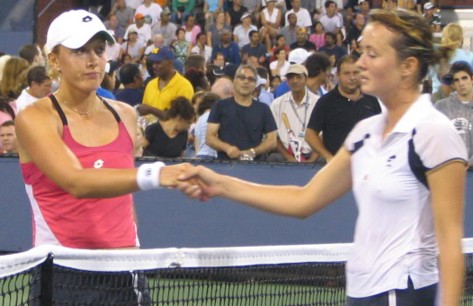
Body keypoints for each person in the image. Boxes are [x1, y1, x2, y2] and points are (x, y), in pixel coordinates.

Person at [178, 9, 467, 306]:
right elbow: (304, 200)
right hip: (362, 291)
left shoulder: (434, 133)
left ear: (408, 66)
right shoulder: (365, 133)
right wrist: (220, 184)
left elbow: (449, 241)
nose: (360, 63)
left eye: (372, 54)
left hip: (404, 292)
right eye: (361, 52)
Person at [15, 9, 191, 252]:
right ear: (54, 60)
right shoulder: (35, 117)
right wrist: (156, 175)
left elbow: (124, 199)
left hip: (125, 272)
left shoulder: (126, 114)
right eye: (79, 50)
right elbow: (76, 182)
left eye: (99, 50)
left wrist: (133, 253)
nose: (93, 60)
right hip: (63, 274)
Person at [305, 55, 381, 162]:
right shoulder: (326, 102)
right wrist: (328, 156)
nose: (352, 78)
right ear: (338, 75)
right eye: (347, 73)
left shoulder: (371, 100)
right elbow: (310, 135)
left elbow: (381, 131)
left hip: (367, 166)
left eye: (355, 73)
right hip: (337, 168)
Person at [206, 64, 277, 161]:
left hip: (256, 167)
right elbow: (209, 137)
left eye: (250, 79)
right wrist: (227, 148)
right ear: (235, 81)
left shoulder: (264, 109)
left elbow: (272, 141)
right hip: (225, 166)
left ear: (255, 84)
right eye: (242, 78)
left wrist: (253, 152)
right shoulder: (220, 106)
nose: (246, 82)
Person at [269, 64, 319, 162]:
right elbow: (273, 136)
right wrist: (289, 158)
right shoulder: (277, 104)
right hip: (286, 154)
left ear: (306, 79)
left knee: (323, 160)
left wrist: (311, 160)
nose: (295, 80)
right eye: (291, 78)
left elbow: (323, 136)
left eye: (299, 77)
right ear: (287, 81)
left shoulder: (317, 102)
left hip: (312, 153)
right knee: (274, 158)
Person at [139, 46, 194, 119]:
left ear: (170, 62)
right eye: (153, 63)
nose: (154, 66)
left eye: (158, 63)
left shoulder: (184, 86)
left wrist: (151, 110)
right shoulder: (151, 84)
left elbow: (181, 118)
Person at [435, 61, 473, 166]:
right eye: (457, 80)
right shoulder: (441, 106)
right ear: (453, 84)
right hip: (448, 169)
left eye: (464, 78)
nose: (461, 83)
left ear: (472, 79)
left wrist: (469, 163)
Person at [194, 92, 220, 159]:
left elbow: (197, 141)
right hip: (211, 155)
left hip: (200, 154)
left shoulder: (199, 119)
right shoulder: (214, 117)